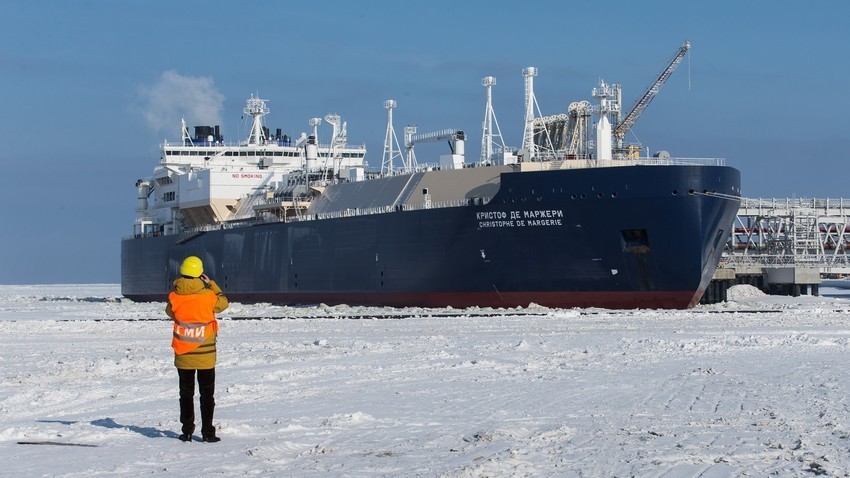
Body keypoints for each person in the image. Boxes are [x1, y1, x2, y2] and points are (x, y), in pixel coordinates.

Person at [166, 256, 229, 443]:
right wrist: (212, 285)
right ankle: (208, 433)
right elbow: (224, 303)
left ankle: (186, 432)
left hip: (183, 353)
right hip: (205, 355)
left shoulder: (174, 297)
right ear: (200, 274)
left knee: (185, 394)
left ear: (182, 272)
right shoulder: (209, 297)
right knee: (207, 395)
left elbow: (170, 312)